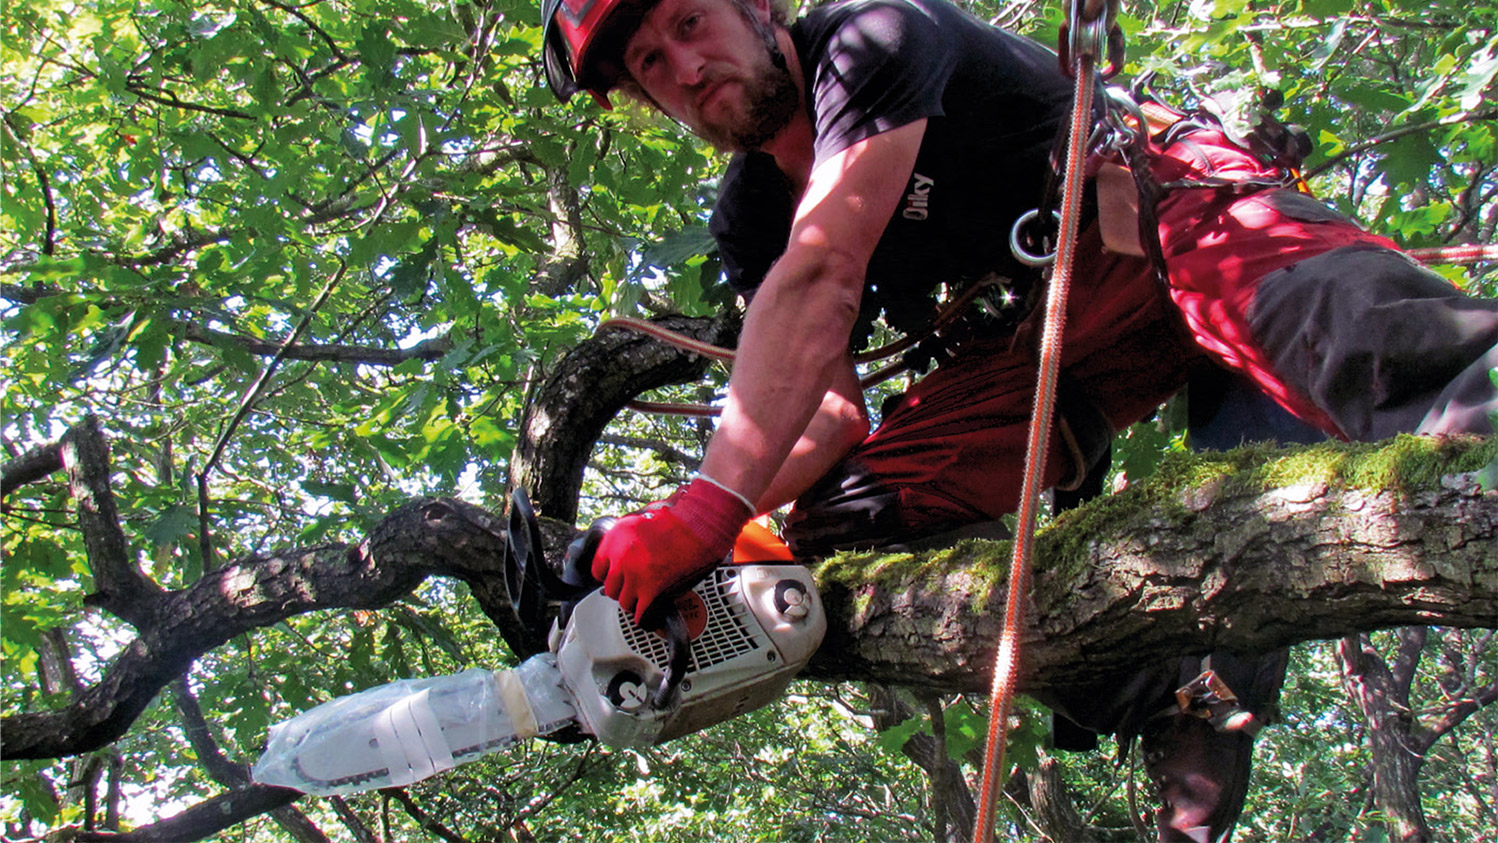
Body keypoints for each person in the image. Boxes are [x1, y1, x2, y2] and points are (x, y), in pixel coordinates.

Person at [539, 0, 1498, 838]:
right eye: (652, 65)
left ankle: (1479, 424)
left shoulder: (872, 37)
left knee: (1311, 310)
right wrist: (689, 528)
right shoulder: (752, 215)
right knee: (841, 516)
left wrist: (706, 506)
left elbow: (824, 275)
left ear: (754, 3)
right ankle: (1173, 687)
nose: (686, 65)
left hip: (1157, 216)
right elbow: (828, 412)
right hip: (1071, 335)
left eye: (688, 22)